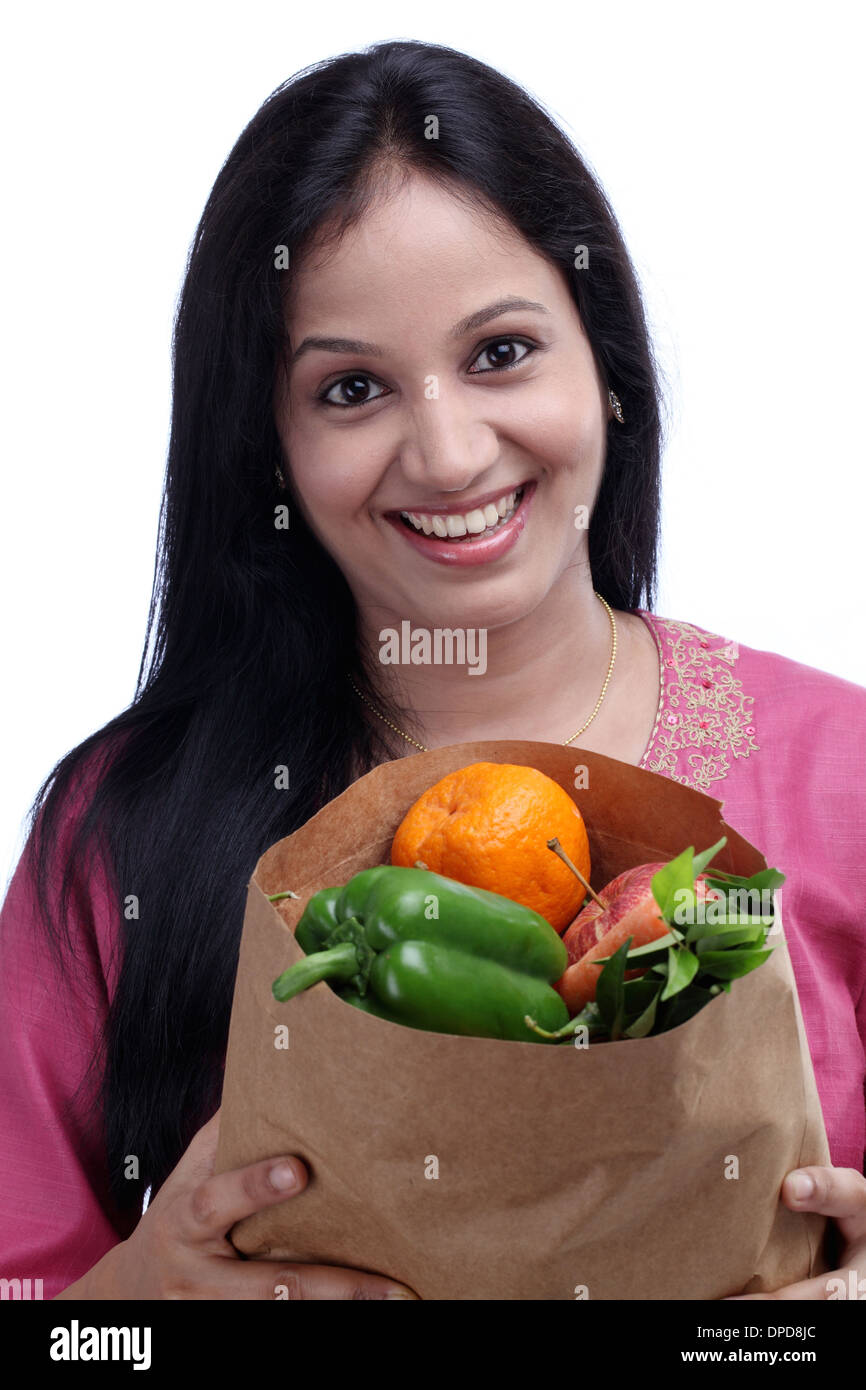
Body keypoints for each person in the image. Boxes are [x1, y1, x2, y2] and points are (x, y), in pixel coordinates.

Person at [1, 38, 864, 1303]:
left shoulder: (837, 779)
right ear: (269, 449)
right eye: (351, 387)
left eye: (500, 352)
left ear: (607, 370)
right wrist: (128, 1303)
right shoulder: (125, 836)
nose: (450, 453)